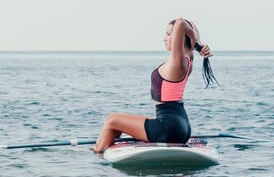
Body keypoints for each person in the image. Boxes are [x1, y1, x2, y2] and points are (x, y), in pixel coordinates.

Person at [92, 17, 218, 153]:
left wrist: (196, 41)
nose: (165, 38)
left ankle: (97, 154)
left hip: (168, 127)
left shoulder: (178, 63)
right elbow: (188, 26)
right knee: (120, 123)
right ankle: (107, 145)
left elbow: (181, 22)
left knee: (112, 120)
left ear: (181, 37)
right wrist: (197, 45)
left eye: (170, 34)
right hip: (181, 126)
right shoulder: (188, 58)